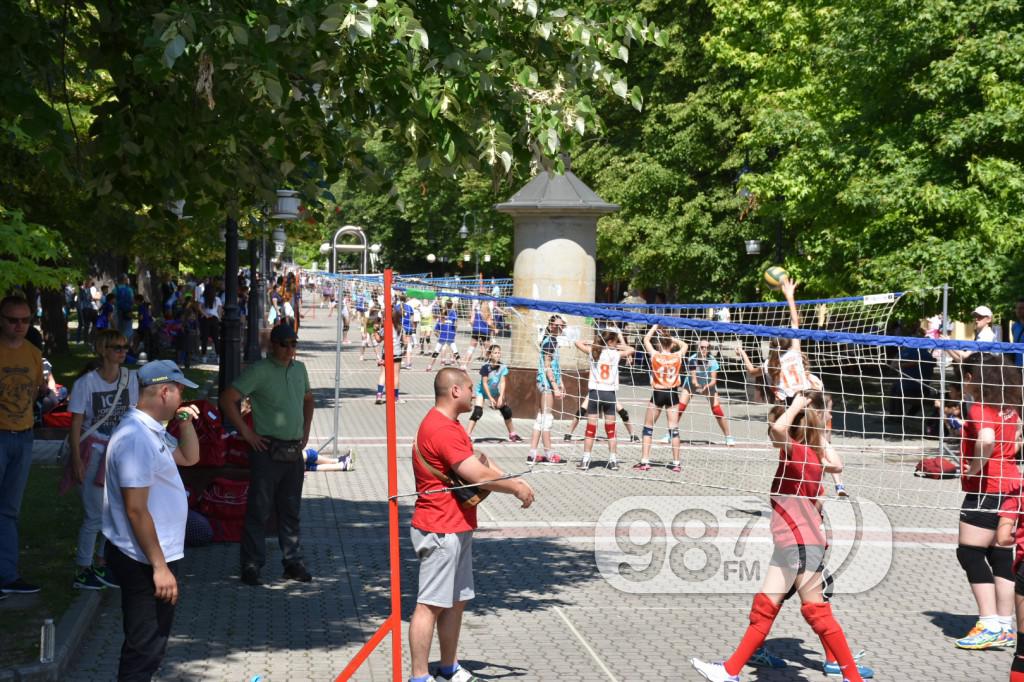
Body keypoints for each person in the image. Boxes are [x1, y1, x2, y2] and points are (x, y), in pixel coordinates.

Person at [691, 392, 864, 682]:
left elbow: (779, 430)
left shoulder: (796, 453)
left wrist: (797, 406)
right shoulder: (814, 456)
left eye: (776, 423)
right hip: (791, 541)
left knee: (817, 613)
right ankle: (730, 671)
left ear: (793, 428)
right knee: (765, 606)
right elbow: (837, 464)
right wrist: (815, 428)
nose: (769, 432)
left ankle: (853, 677)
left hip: (802, 544)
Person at [408, 368, 534, 682]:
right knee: (430, 605)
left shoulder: (450, 425)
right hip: (440, 527)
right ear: (454, 392)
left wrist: (511, 478)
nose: (472, 393)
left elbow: (478, 461)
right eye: (468, 388)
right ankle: (419, 676)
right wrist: (515, 487)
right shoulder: (442, 428)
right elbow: (476, 475)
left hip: (455, 525)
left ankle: (448, 668)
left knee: (455, 600)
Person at [102, 360, 200, 681]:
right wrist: (159, 567)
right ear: (164, 391)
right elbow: (136, 510)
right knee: (143, 647)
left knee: (152, 645)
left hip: (157, 554)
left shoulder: (150, 431)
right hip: (143, 559)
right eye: (180, 392)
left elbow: (189, 457)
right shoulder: (135, 438)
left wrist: (184, 422)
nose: (182, 397)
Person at [220, 323, 314, 586]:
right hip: (267, 449)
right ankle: (251, 564)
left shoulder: (300, 369)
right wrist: (247, 434)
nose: (289, 349)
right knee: (258, 509)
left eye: (293, 344)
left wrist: (306, 430)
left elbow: (309, 399)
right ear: (273, 345)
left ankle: (292, 562)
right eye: (284, 344)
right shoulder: (260, 371)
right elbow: (227, 399)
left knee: (290, 509)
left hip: (293, 450)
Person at [953, 356, 1022, 650]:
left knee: (969, 553)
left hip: (988, 488)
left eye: (965, 377)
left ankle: (989, 622)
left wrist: (973, 468)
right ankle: (1005, 625)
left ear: (972, 377)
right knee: (1001, 555)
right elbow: (1018, 438)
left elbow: (987, 438)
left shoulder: (980, 407)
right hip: (1014, 484)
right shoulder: (1009, 406)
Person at [66, 330, 140, 590]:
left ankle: (101, 562)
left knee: (115, 512)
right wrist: (76, 459)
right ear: (103, 350)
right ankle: (82, 568)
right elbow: (75, 424)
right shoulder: (86, 384)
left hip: (118, 453)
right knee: (94, 515)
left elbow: (133, 416)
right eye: (117, 347)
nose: (122, 352)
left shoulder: (130, 379)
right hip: (92, 452)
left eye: (125, 347)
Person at [0, 295, 45, 595]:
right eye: (13, 320)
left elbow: (34, 393)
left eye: (25, 320)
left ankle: (7, 575)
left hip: (24, 435)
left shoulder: (32, 353)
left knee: (9, 510)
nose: (19, 325)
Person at [574, 328, 635, 471]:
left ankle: (585, 460)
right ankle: (613, 460)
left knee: (590, 429)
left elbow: (577, 342)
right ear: (610, 342)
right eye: (614, 341)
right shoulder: (615, 354)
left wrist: (594, 343)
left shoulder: (594, 351)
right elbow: (631, 349)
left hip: (595, 393)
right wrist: (617, 345)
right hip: (609, 394)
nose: (616, 344)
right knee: (611, 430)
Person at [635, 325, 687, 472]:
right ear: (671, 344)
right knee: (674, 430)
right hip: (672, 393)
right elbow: (685, 345)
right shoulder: (677, 356)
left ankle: (645, 461)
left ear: (659, 343)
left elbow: (646, 339)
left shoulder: (655, 355)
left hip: (658, 393)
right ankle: (676, 463)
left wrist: (655, 326)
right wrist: (671, 339)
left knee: (648, 428)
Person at [681, 339, 736, 446]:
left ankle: (728, 437)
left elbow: (713, 381)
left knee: (717, 410)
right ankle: (670, 434)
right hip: (692, 384)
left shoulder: (712, 361)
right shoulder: (692, 359)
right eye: (701, 347)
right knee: (680, 408)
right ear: (698, 348)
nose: (704, 349)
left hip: (708, 384)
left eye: (706, 347)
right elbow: (693, 380)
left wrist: (706, 387)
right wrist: (697, 386)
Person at [528, 315, 567, 465]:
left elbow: (555, 365)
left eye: (562, 326)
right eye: (557, 326)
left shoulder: (553, 341)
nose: (560, 328)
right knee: (547, 418)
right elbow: (547, 367)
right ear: (550, 326)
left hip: (545, 383)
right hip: (546, 384)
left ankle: (532, 453)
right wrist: (555, 386)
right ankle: (549, 454)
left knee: (540, 418)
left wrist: (561, 382)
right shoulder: (550, 341)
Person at [466, 344, 522, 442]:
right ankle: (466, 435)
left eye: (499, 353)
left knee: (506, 411)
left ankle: (512, 434)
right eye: (495, 353)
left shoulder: (502, 366)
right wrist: (490, 398)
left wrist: (501, 396)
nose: (497, 355)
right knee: (477, 412)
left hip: (494, 392)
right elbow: (484, 383)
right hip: (482, 391)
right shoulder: (485, 367)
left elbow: (503, 382)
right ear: (490, 355)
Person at [376, 306, 404, 405]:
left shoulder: (386, 327)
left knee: (383, 373)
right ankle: (395, 397)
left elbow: (378, 339)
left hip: (387, 353)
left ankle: (379, 394)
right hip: (397, 353)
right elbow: (403, 340)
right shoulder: (400, 327)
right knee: (396, 375)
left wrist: (375, 331)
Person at [425, 300, 460, 372]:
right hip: (450, 337)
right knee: (455, 352)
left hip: (443, 337)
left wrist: (439, 336)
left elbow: (435, 331)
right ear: (451, 305)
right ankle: (462, 366)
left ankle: (429, 366)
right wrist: (454, 332)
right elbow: (456, 325)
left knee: (436, 352)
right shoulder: (453, 314)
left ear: (445, 305)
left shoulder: (445, 315)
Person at [462, 298, 494, 369]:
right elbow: (489, 323)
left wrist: (476, 324)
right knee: (488, 350)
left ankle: (464, 365)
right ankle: (490, 366)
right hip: (485, 332)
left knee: (471, 349)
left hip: (476, 330)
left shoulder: (476, 311)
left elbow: (471, 322)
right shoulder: (488, 311)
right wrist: (494, 328)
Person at [199, 285, 223, 362]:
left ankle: (204, 357)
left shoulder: (203, 298)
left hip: (205, 319)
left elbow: (199, 307)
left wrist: (205, 314)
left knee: (204, 338)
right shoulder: (217, 299)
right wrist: (219, 318)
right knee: (216, 338)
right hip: (214, 319)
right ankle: (218, 356)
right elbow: (220, 310)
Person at [115, 275, 135, 340]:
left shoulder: (114, 289)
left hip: (118, 311)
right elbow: (132, 300)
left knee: (120, 328)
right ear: (125, 280)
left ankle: (119, 343)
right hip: (128, 311)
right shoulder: (129, 289)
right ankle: (126, 345)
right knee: (128, 329)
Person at [1011, 298, 1024, 368]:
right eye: (1017, 308)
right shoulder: (1014, 326)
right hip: (1017, 366)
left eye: (1022, 308)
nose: (1018, 310)